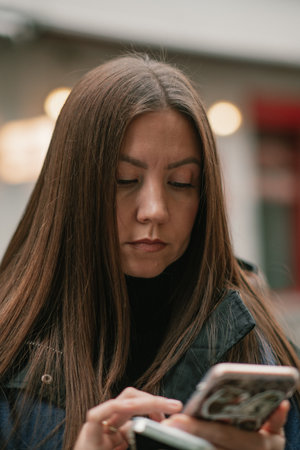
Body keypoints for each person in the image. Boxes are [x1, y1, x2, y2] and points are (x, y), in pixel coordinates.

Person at [0, 54, 299, 450]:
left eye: (181, 182)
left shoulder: (258, 349)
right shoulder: (11, 351)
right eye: (124, 179)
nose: (155, 209)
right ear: (72, 188)